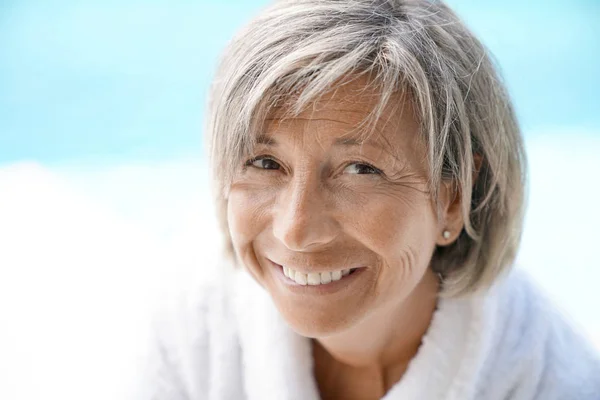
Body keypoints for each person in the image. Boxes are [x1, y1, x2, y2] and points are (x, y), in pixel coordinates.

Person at [136, 0, 600, 399]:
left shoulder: (552, 382)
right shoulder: (190, 334)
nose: (295, 229)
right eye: (264, 163)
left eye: (361, 169)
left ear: (453, 198)